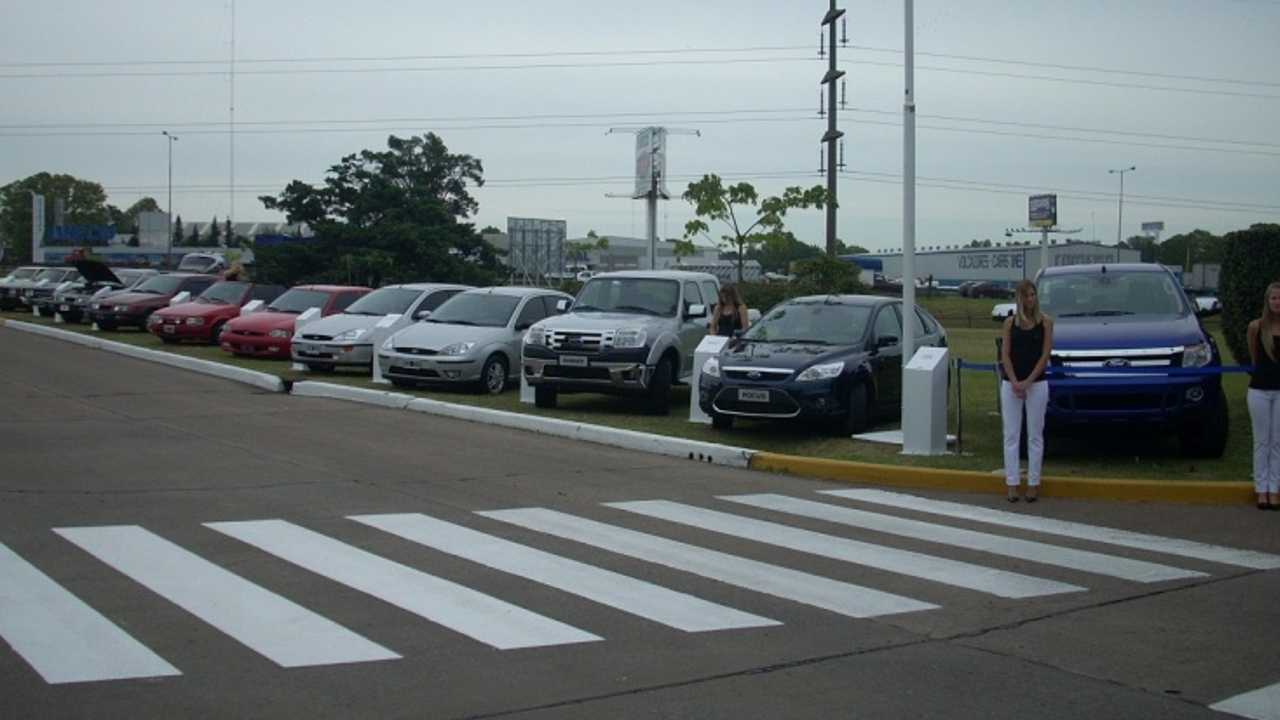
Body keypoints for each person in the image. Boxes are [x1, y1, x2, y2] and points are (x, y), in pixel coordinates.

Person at [999, 279, 1054, 502]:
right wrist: (1014, 381)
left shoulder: (1046, 322)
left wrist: (1028, 381)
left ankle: (1033, 483)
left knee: (1035, 435)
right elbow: (1005, 354)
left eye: (1033, 295)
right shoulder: (1010, 323)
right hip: (1011, 384)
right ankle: (1012, 483)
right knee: (1011, 434)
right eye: (1026, 296)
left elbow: (1045, 354)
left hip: (1037, 383)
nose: (1030, 300)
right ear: (1019, 298)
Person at [1246, 281, 1280, 510]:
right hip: (1259, 390)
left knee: (1278, 442)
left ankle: (1274, 489)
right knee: (1262, 441)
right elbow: (1254, 358)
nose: (1277, 302)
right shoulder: (1256, 327)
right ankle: (1261, 489)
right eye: (1274, 298)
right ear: (1267, 301)